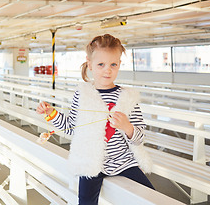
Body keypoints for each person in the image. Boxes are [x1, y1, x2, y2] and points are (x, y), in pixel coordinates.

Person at [36, 34, 154, 205]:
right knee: (86, 202)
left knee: (150, 198)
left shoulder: (127, 97)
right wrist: (51, 113)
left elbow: (140, 137)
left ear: (119, 64)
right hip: (91, 163)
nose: (108, 70)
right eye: (101, 64)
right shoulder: (83, 94)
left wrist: (127, 126)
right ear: (90, 64)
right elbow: (71, 128)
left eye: (113, 64)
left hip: (124, 162)